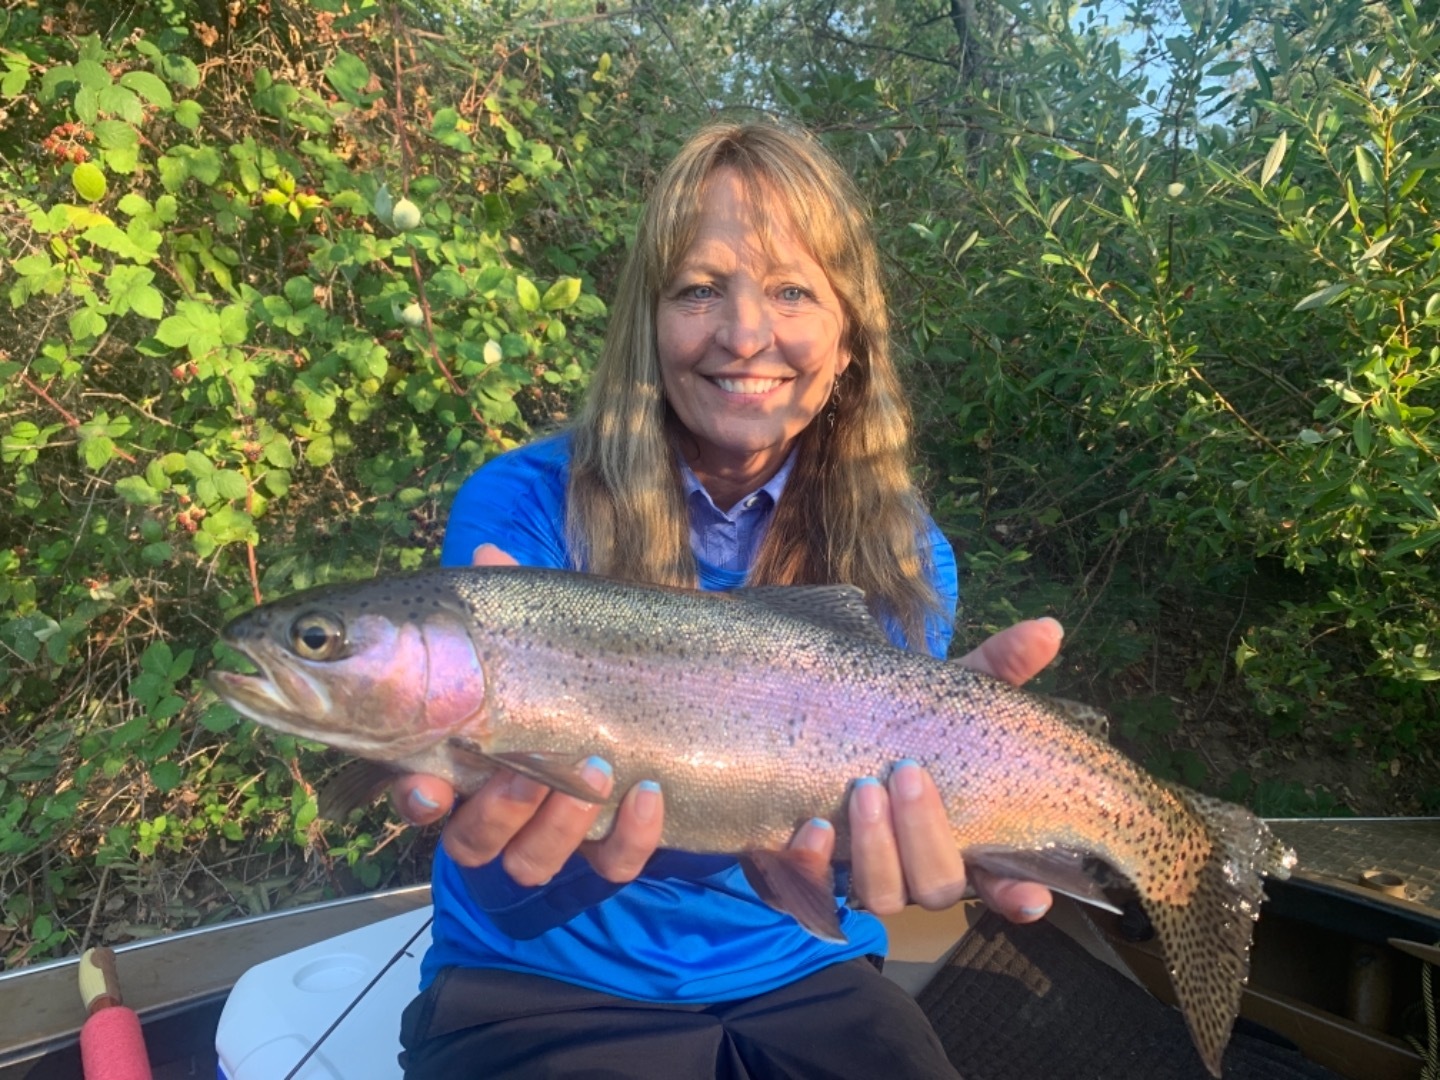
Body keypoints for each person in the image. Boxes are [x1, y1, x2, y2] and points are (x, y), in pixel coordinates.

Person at [390, 121, 1063, 1078]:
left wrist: (908, 839)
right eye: (700, 290)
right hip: (538, 977)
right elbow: (504, 875)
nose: (745, 334)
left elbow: (832, 867)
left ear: (847, 342)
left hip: (802, 973)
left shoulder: (909, 554)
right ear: (646, 325)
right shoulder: (522, 506)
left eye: (791, 291)